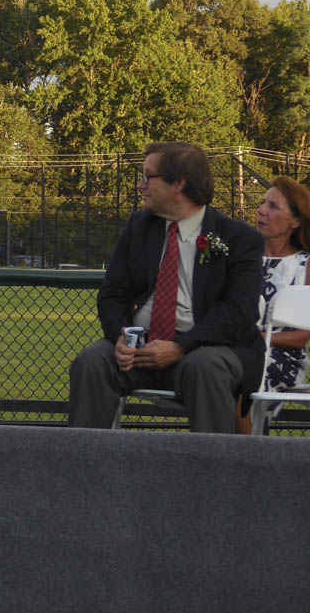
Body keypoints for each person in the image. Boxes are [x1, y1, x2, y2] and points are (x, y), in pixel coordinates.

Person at [68, 141, 264, 434]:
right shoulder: (138, 227)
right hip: (140, 348)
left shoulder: (238, 237)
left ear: (179, 184)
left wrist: (181, 346)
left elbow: (239, 310)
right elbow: (113, 293)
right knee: (92, 362)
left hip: (206, 347)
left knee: (205, 368)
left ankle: (214, 473)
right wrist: (120, 337)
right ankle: (83, 467)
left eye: (148, 176)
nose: (140, 185)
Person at [235, 176, 310, 434]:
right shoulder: (242, 259)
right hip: (235, 347)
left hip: (279, 357)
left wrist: (259, 337)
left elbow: (302, 337)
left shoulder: (305, 266)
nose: (261, 210)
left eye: (273, 207)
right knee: (211, 372)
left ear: (296, 220)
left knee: (238, 381)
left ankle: (248, 460)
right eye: (262, 203)